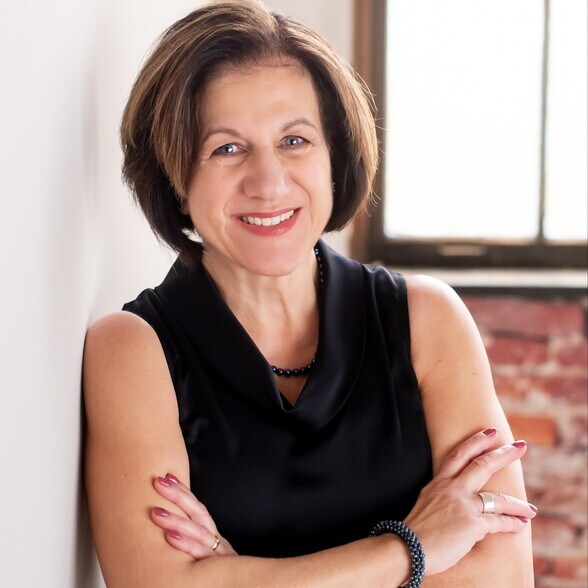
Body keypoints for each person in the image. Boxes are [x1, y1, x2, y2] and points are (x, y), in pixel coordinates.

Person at [82, 1, 536, 586]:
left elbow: (499, 578)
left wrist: (239, 575)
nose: (269, 183)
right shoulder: (131, 351)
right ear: (174, 178)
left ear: (333, 157)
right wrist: (414, 548)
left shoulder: (427, 319)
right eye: (226, 148)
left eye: (294, 140)